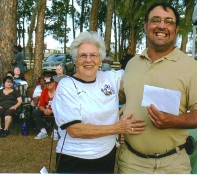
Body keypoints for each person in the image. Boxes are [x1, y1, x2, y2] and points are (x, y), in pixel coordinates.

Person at [117, 3, 197, 174]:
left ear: (176, 29)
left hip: (172, 164)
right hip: (131, 162)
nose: (162, 26)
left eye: (169, 22)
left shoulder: (192, 67)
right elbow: (121, 99)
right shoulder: (132, 64)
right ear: (145, 26)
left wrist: (173, 121)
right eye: (155, 20)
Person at [52, 31, 146, 173]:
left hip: (106, 155)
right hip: (75, 157)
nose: (88, 60)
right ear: (75, 59)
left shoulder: (110, 78)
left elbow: (139, 73)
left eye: (93, 55)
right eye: (83, 55)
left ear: (100, 59)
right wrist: (118, 128)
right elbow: (74, 130)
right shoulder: (67, 86)